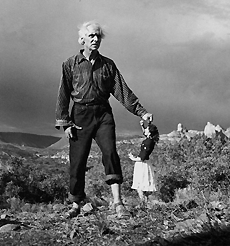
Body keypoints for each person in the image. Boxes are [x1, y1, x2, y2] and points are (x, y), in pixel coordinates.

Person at [55, 21, 153, 218]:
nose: (95, 39)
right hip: (79, 116)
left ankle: (117, 203)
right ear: (81, 39)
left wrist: (141, 112)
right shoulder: (70, 64)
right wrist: (64, 122)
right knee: (78, 161)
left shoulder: (108, 65)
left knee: (110, 153)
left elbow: (122, 92)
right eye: (91, 36)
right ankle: (76, 204)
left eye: (98, 36)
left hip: (103, 115)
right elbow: (63, 94)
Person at [128, 120, 159, 203]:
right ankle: (145, 201)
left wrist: (132, 158)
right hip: (144, 163)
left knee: (140, 185)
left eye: (147, 128)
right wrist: (142, 125)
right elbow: (145, 132)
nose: (145, 129)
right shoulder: (150, 140)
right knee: (143, 185)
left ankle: (143, 202)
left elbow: (142, 157)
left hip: (142, 164)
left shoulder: (148, 142)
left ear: (150, 132)